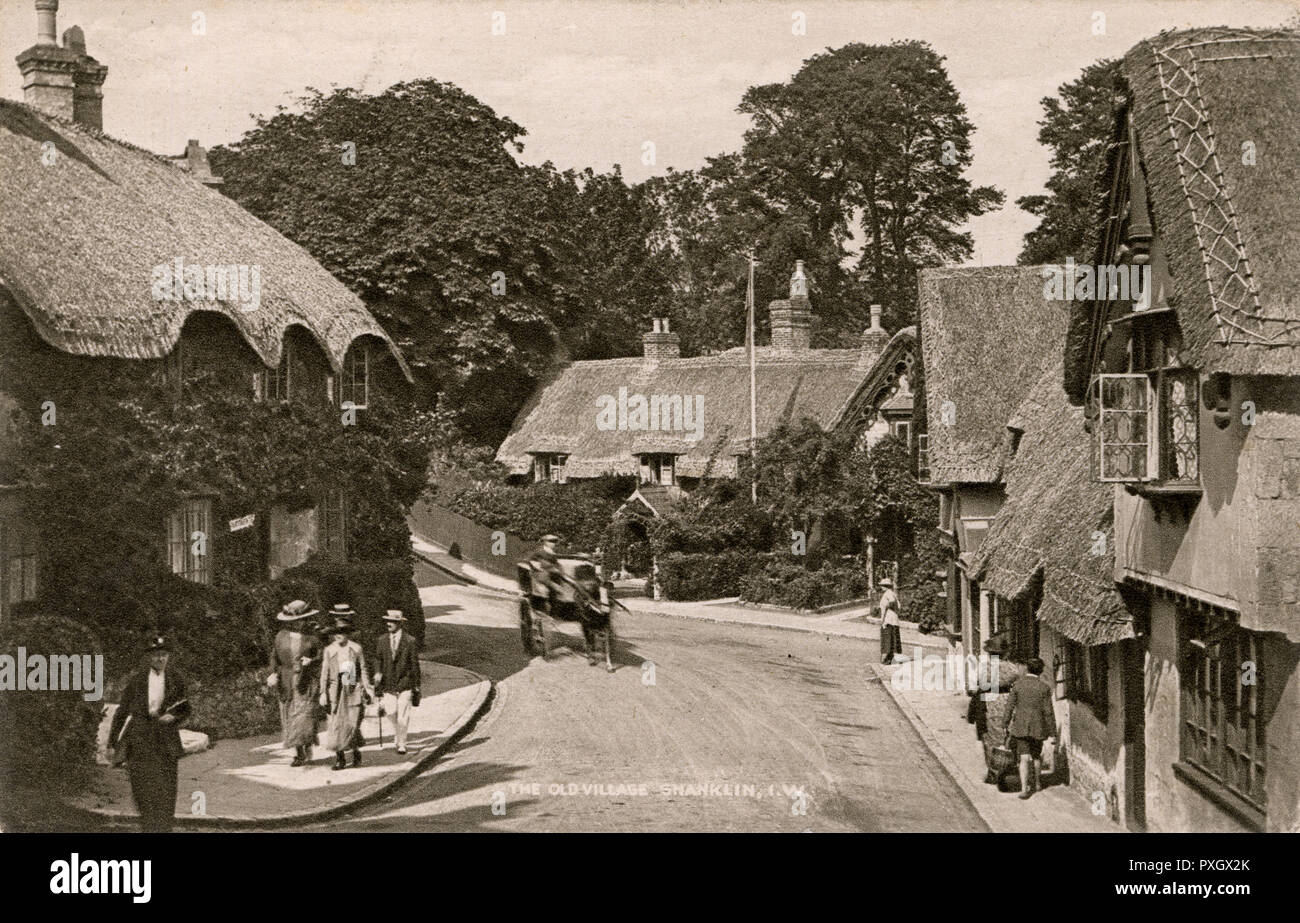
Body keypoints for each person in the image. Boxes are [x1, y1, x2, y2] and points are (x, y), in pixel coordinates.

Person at [108, 635, 191, 833]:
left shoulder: (175, 679)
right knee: (143, 787)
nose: (160, 660)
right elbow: (121, 712)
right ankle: (149, 827)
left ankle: (164, 828)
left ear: (168, 656)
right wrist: (112, 743)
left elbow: (185, 708)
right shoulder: (137, 681)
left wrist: (174, 717)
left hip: (166, 738)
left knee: (166, 787)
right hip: (140, 737)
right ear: (148, 657)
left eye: (164, 655)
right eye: (156, 656)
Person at [266, 599, 322, 766]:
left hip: (306, 681)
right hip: (287, 681)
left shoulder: (312, 638)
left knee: (304, 717)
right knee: (290, 717)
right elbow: (274, 657)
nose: (299, 624)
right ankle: (298, 752)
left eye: (301, 620)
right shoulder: (280, 636)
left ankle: (306, 744)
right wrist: (273, 673)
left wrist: (310, 660)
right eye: (295, 621)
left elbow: (321, 655)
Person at [318, 607, 374, 770]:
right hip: (335, 690)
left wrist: (367, 687)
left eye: (342, 631)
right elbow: (325, 672)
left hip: (352, 689)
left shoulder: (356, 649)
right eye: (335, 632)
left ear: (348, 633)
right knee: (336, 724)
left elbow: (363, 669)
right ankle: (340, 758)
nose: (338, 634)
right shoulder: (329, 650)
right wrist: (323, 692)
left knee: (351, 724)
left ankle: (355, 751)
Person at [1004, 656, 1057, 799]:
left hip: (1020, 726)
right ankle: (1038, 783)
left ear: (1027, 669)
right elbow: (1048, 712)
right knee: (1036, 756)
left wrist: (1005, 723)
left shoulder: (1018, 685)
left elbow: (1009, 707)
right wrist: (1053, 732)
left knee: (1023, 757)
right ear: (1040, 671)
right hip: (1038, 726)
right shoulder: (1044, 688)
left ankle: (1024, 788)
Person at [374, 609, 421, 755]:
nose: (389, 624)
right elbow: (377, 659)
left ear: (400, 624)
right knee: (391, 711)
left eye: (393, 621)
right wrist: (377, 672)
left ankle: (402, 743)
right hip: (388, 683)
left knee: (403, 715)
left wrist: (416, 685)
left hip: (405, 682)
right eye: (388, 621)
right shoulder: (382, 640)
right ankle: (397, 733)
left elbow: (415, 664)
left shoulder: (410, 641)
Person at [528, 534, 563, 610]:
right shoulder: (540, 551)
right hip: (540, 574)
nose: (552, 544)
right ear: (545, 542)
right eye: (550, 541)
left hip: (550, 575)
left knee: (556, 590)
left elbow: (556, 564)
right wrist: (540, 567)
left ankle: (552, 609)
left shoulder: (553, 553)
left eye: (554, 542)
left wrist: (557, 569)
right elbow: (532, 561)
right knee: (542, 590)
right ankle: (536, 608)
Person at [878, 577, 902, 664]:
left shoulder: (887, 594)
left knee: (887, 639)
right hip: (894, 619)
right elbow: (899, 606)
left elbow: (886, 606)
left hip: (888, 620)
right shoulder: (893, 593)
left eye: (883, 585)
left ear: (886, 586)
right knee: (894, 639)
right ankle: (893, 658)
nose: (881, 587)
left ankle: (887, 659)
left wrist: (882, 620)